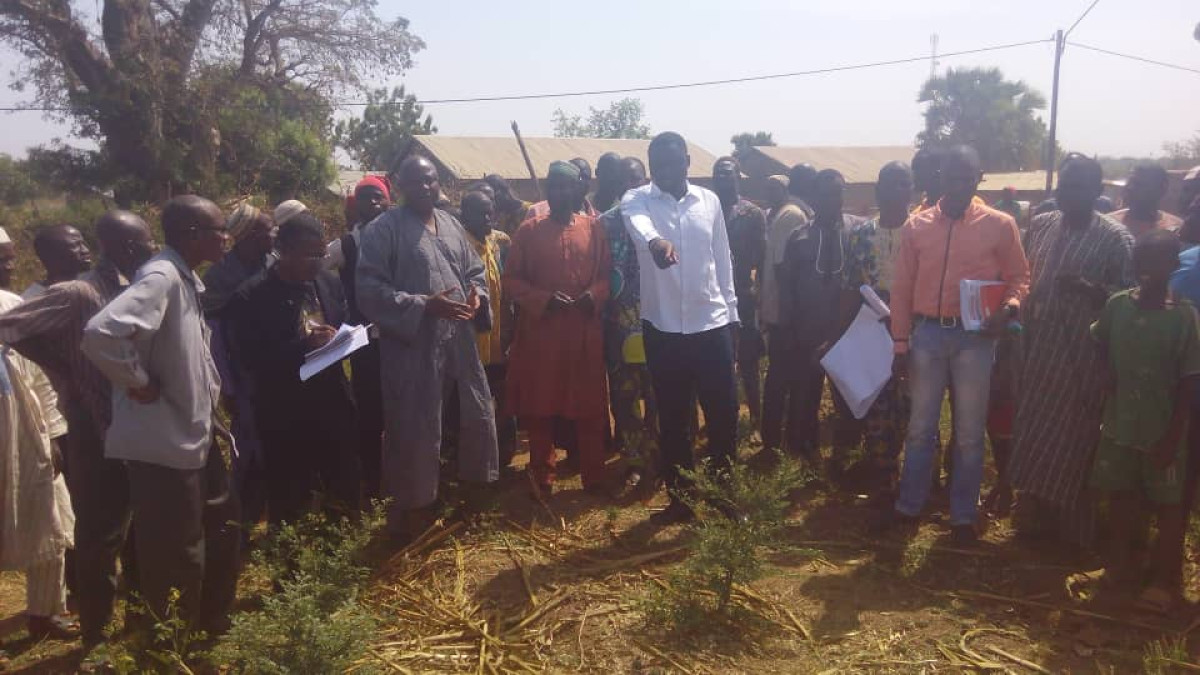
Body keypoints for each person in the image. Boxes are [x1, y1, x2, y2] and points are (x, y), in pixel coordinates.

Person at [81, 196, 240, 636]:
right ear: (192, 234)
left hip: (193, 435)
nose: (225, 237)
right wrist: (135, 380)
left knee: (219, 529)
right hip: (163, 445)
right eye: (219, 230)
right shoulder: (162, 276)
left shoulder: (183, 277)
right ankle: (170, 649)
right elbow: (100, 333)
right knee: (175, 553)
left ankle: (206, 625)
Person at [0, 211, 156, 648]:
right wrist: (62, 366)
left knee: (137, 531)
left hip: (135, 423)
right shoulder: (73, 293)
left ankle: (139, 621)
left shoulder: (124, 286)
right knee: (100, 537)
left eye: (83, 242)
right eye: (73, 246)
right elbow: (9, 327)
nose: (83, 250)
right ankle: (96, 637)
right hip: (92, 426)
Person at [884, 146, 1029, 544]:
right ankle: (909, 506)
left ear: (979, 179)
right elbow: (902, 288)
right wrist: (900, 343)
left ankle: (963, 515)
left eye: (968, 177)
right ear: (941, 177)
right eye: (953, 176)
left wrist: (1010, 307)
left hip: (974, 339)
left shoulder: (1000, 225)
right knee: (920, 428)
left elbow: (1019, 276)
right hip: (928, 335)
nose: (960, 184)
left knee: (969, 432)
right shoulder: (917, 226)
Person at [356, 157, 498, 539]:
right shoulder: (383, 230)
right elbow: (369, 290)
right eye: (416, 181)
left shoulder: (451, 224)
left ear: (440, 183)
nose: (425, 187)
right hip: (413, 347)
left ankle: (469, 499)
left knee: (475, 414)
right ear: (400, 185)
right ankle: (414, 513)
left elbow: (475, 272)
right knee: (415, 427)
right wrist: (423, 305)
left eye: (431, 180)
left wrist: (477, 296)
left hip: (460, 341)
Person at [1009, 155, 1134, 547]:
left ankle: (1074, 533)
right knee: (1034, 433)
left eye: (1077, 187)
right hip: (1037, 354)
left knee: (1076, 441)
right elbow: (1021, 275)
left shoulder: (1116, 239)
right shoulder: (1043, 224)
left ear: (1097, 191)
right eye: (1063, 186)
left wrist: (1089, 289)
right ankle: (1033, 520)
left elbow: (1132, 299)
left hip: (1082, 360)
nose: (1067, 194)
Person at [622, 132, 740, 525]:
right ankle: (681, 500)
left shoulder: (709, 202)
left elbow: (722, 260)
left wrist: (733, 315)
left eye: (673, 163)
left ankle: (724, 498)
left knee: (723, 416)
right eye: (657, 166)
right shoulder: (638, 199)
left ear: (688, 162)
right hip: (664, 329)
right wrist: (656, 242)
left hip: (711, 325)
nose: (665, 172)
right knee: (673, 421)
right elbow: (637, 223)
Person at [1090, 230, 1200, 612]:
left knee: (1167, 505)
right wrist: (1105, 372)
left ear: (1173, 265)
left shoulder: (1184, 317)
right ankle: (1119, 568)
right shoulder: (1118, 305)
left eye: (1157, 261)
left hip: (1162, 429)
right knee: (1121, 496)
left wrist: (1173, 437)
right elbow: (1100, 341)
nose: (1147, 269)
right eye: (1141, 261)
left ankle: (1162, 581)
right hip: (1120, 425)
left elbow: (1189, 382)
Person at [230, 212, 360, 525]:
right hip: (284, 410)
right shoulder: (251, 296)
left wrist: (344, 337)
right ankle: (292, 551)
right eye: (308, 255)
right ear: (283, 251)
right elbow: (250, 359)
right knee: (290, 493)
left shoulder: (328, 282)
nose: (317, 262)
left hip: (332, 399)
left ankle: (343, 541)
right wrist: (304, 347)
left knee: (342, 481)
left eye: (321, 254)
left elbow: (343, 319)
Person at [505, 161, 612, 496]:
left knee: (591, 406)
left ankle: (594, 476)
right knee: (540, 408)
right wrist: (543, 300)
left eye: (567, 186)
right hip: (542, 333)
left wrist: (593, 296)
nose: (560, 192)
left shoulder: (594, 228)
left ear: (579, 189)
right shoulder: (528, 231)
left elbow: (607, 277)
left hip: (583, 331)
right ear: (547, 190)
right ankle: (543, 476)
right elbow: (511, 280)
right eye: (554, 186)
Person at [0, 286, 77, 641]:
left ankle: (46, 613)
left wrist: (56, 434)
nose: (9, 265)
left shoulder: (12, 304)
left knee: (50, 519)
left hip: (28, 433)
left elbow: (40, 376)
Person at [777, 169, 865, 464]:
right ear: (814, 197)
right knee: (804, 400)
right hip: (807, 334)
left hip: (848, 336)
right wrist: (787, 329)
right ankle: (806, 457)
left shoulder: (859, 231)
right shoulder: (799, 237)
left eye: (837, 192)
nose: (832, 199)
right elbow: (787, 287)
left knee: (850, 401)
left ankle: (846, 459)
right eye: (825, 193)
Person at [202, 203, 275, 530]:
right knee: (248, 451)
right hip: (242, 376)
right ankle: (238, 523)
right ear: (250, 236)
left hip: (276, 369)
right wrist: (227, 389)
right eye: (268, 230)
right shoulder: (220, 277)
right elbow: (215, 338)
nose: (274, 235)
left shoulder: (271, 264)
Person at [847, 162, 915, 500]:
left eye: (903, 184)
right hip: (873, 332)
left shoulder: (923, 231)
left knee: (916, 406)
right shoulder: (861, 234)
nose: (896, 191)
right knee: (878, 406)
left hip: (916, 333)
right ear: (877, 190)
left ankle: (918, 481)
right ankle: (883, 480)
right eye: (890, 183)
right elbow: (852, 286)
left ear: (912, 190)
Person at [327, 175, 391, 500]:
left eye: (379, 196)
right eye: (366, 197)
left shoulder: (404, 236)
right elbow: (313, 267)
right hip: (366, 341)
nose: (374, 203)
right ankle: (372, 482)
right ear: (357, 206)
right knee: (369, 411)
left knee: (403, 408)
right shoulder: (347, 245)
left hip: (402, 337)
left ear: (389, 200)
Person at [602, 157, 657, 487]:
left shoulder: (662, 218)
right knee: (624, 399)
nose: (629, 187)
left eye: (635, 180)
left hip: (660, 326)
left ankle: (659, 458)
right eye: (623, 181)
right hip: (618, 329)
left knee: (659, 395)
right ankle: (635, 460)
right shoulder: (603, 224)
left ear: (646, 181)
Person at [459, 190, 517, 470]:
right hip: (472, 341)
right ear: (464, 215)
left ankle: (505, 458)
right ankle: (480, 463)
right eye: (479, 213)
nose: (486, 219)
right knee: (477, 404)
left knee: (505, 399)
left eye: (490, 212)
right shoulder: (458, 245)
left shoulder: (500, 241)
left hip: (499, 338)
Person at [761, 164, 817, 453]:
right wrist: (788, 318)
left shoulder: (789, 212)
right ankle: (776, 443)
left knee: (787, 379)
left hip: (786, 313)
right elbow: (783, 270)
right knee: (783, 380)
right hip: (787, 316)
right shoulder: (794, 215)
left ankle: (785, 441)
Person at [712, 157, 767, 430]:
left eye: (728, 173)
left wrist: (760, 294)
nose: (723, 178)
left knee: (748, 361)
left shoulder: (752, 214)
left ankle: (756, 419)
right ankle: (721, 419)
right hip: (711, 297)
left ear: (738, 177)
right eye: (718, 174)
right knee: (715, 361)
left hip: (743, 295)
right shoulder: (706, 211)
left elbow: (762, 258)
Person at [1112, 164, 1183, 238]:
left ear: (1162, 189)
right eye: (1129, 183)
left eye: (1138, 184)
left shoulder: (1176, 228)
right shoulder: (1109, 225)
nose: (1130, 188)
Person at [25, 224, 92, 299]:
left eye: (83, 243)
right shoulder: (32, 299)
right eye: (75, 245)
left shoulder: (93, 288)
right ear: (52, 254)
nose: (85, 250)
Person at [525, 158, 599, 223]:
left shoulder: (596, 221)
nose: (579, 180)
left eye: (584, 176)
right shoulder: (536, 212)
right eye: (574, 176)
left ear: (589, 185)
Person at [911, 147, 945, 211]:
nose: (914, 176)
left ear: (937, 171)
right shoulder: (918, 214)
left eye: (918, 169)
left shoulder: (957, 207)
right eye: (914, 170)